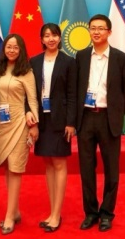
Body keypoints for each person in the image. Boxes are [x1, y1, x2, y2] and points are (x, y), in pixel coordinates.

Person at [75, 14, 125, 232]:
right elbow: (76, 88)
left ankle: (107, 213)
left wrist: (116, 114)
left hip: (109, 119)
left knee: (111, 170)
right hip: (86, 118)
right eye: (93, 28)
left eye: (101, 28)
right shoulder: (81, 57)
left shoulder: (121, 58)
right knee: (86, 169)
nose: (96, 32)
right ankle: (91, 212)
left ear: (109, 32)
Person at [29, 23, 76, 233]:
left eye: (54, 35)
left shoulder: (68, 62)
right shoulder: (34, 62)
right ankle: (52, 211)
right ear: (41, 39)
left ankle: (57, 215)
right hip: (42, 120)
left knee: (59, 163)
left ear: (59, 38)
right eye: (47, 35)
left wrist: (70, 122)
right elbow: (29, 93)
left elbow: (73, 94)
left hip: (60, 120)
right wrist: (31, 119)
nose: (51, 39)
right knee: (48, 163)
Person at [0, 34, 39, 235]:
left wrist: (34, 124)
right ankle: (16, 210)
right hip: (0, 125)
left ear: (21, 50)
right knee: (7, 167)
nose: (11, 50)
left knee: (16, 168)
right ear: (4, 49)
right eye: (8, 47)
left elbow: (33, 99)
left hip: (20, 123)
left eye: (15, 47)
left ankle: (9, 216)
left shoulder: (26, 72)